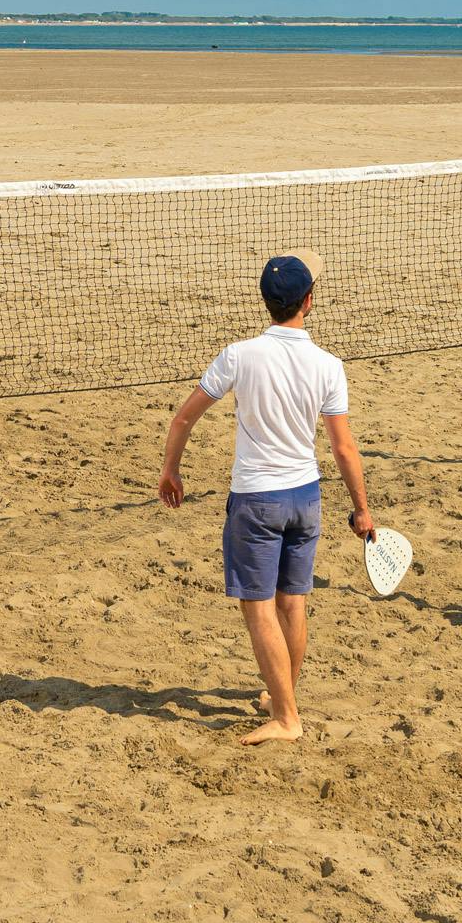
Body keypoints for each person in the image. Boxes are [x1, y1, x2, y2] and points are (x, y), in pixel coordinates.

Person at [158, 251, 374, 745]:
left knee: (258, 610)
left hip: (256, 498)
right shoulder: (329, 365)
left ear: (266, 302)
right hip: (305, 497)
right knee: (292, 603)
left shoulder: (240, 355)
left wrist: (171, 469)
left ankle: (285, 717)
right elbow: (343, 446)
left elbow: (183, 418)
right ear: (309, 303)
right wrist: (361, 507)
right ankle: (283, 696)